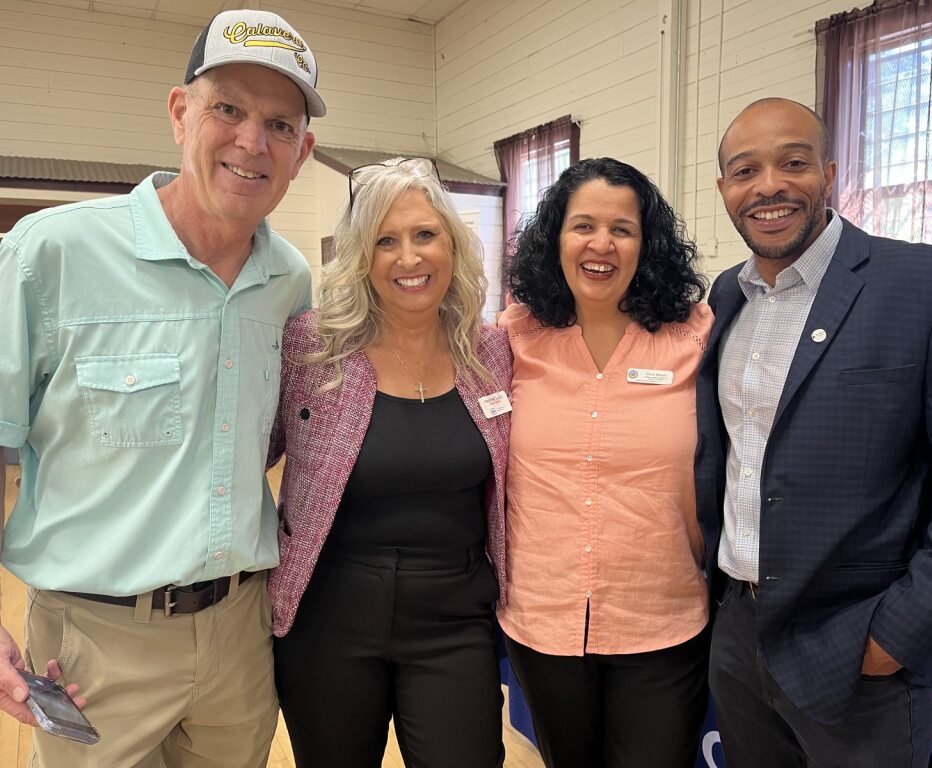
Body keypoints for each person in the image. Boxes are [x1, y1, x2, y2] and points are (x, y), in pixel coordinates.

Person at [0, 9, 321, 766]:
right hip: (91, 648)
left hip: (240, 636)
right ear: (180, 113)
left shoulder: (290, 283)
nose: (252, 142)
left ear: (302, 152)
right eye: (229, 109)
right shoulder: (52, 254)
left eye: (279, 124)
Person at [696, 97, 932, 768]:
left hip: (857, 643)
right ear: (724, 189)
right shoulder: (723, 298)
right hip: (734, 632)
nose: (769, 186)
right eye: (745, 169)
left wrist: (901, 633)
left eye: (793, 162)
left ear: (830, 172)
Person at [268, 157, 511, 768]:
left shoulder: (492, 351)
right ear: (360, 257)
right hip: (330, 611)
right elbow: (244, 452)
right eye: (386, 241)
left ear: (452, 245)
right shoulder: (312, 345)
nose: (409, 258)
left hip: (455, 613)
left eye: (425, 235)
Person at [498, 157, 712, 768]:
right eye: (582, 225)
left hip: (662, 617)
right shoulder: (511, 338)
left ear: (647, 245)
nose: (601, 244)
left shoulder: (693, 335)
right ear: (555, 239)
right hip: (543, 618)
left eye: (622, 229)